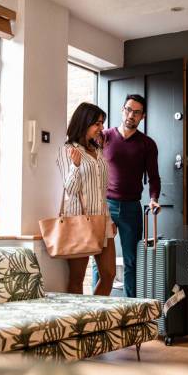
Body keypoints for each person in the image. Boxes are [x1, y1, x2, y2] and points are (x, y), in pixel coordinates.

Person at [93, 94, 161, 298]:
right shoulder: (104, 137)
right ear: (123, 110)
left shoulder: (147, 144)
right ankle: (96, 308)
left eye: (136, 112)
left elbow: (154, 177)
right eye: (128, 109)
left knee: (132, 261)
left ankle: (129, 310)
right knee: (100, 262)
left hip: (131, 208)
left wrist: (154, 198)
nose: (131, 115)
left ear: (143, 116)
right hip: (105, 206)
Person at [57, 102, 117, 295]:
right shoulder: (68, 150)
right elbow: (70, 189)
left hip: (102, 220)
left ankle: (94, 318)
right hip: (79, 221)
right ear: (84, 123)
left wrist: (110, 219)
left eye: (102, 123)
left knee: (109, 274)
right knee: (77, 279)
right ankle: (77, 323)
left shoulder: (98, 151)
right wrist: (75, 166)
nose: (101, 128)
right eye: (97, 123)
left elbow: (102, 189)